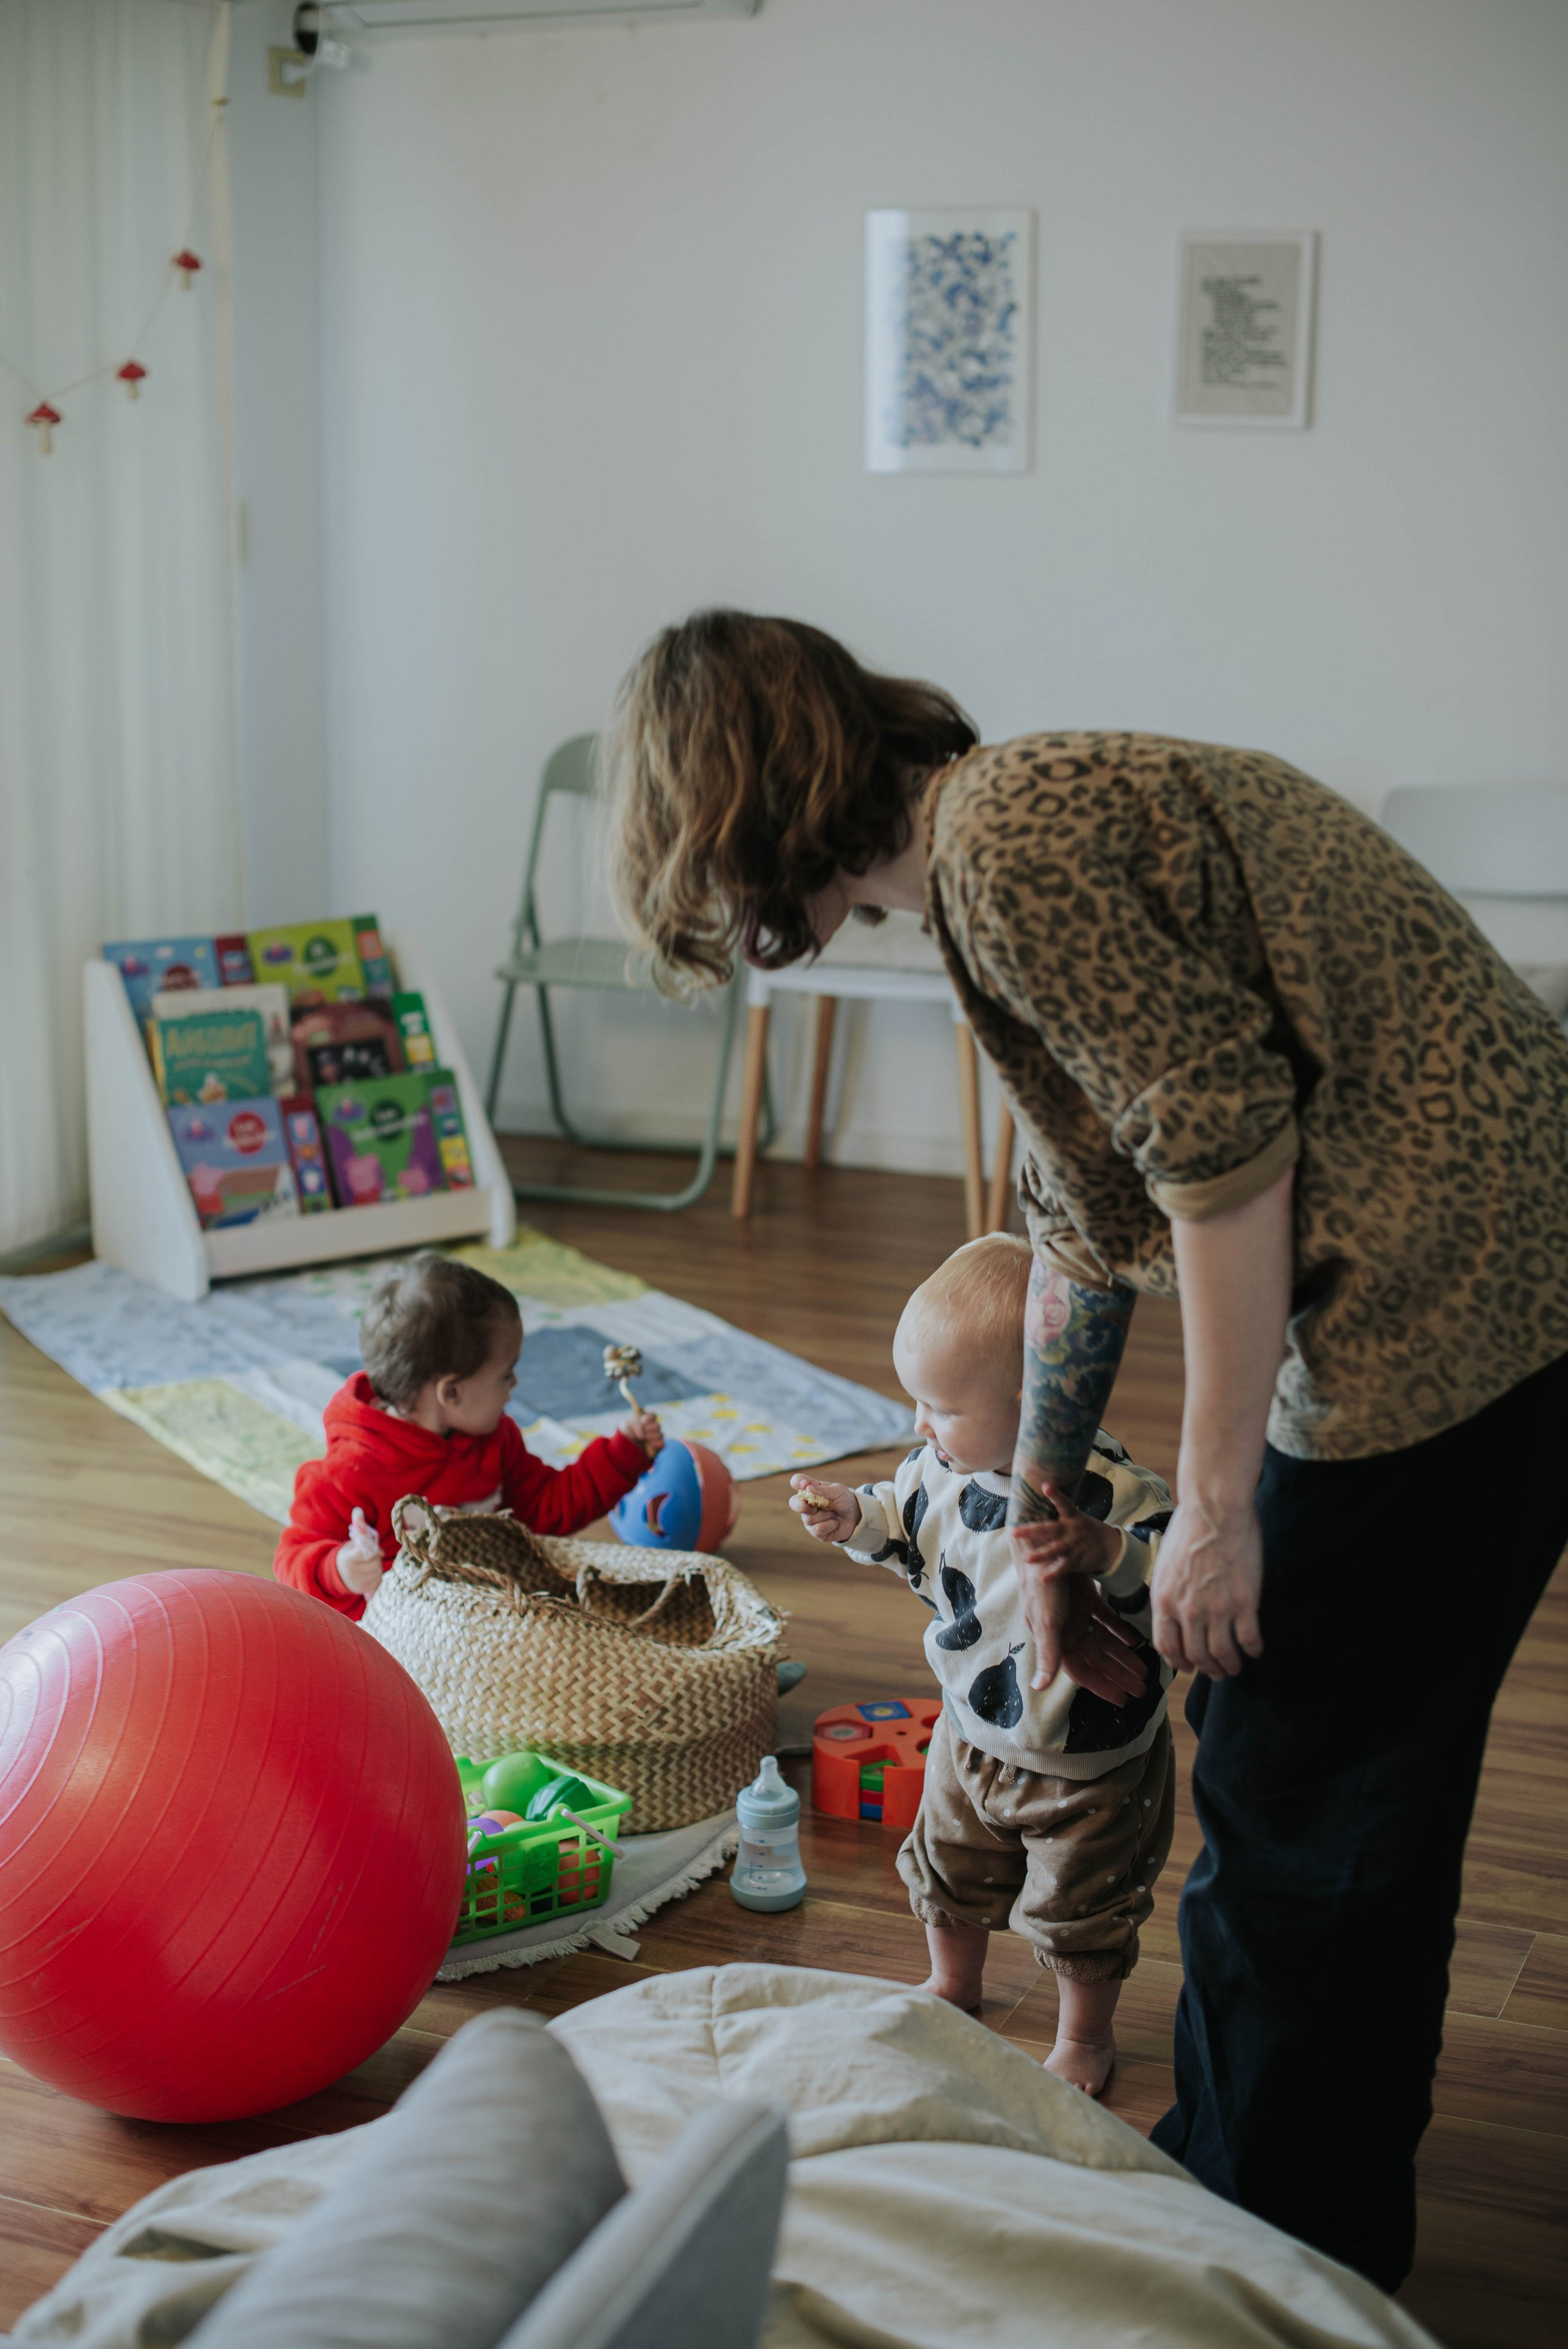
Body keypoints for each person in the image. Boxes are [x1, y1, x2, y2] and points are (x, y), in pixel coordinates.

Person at [607, 608, 1568, 2291]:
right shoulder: (991, 850)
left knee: (1307, 1807)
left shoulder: (1010, 842)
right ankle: (1263, 2201)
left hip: (1468, 1302)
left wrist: (1210, 1507)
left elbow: (1224, 1167)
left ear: (748, 805)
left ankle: (1277, 2255)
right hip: (1471, 1275)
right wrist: (1046, 1518)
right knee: (1302, 1779)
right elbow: (1079, 1216)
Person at [791, 1233, 1175, 2095]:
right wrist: (855, 1517)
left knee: (1083, 1906)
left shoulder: (1116, 1496)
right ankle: (953, 1982)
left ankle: (1083, 2035)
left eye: (940, 1405)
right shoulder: (939, 1470)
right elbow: (902, 1522)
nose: (919, 1425)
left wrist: (1110, 1555)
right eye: (916, 1401)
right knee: (948, 1869)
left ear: (1037, 1404)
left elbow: (1171, 1582)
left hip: (1089, 1763)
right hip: (967, 1735)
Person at [274, 1252, 662, 1618]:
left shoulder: (496, 1440)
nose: (515, 1384)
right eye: (506, 1374)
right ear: (452, 1393)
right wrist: (337, 1571)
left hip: (484, 1624)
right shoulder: (350, 1471)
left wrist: (622, 1456)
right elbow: (291, 1562)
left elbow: (547, 1507)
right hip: (392, 1639)